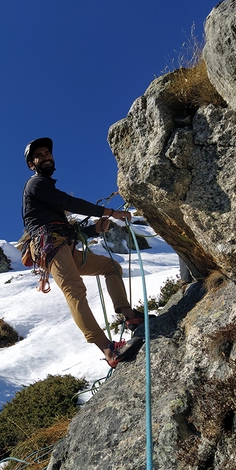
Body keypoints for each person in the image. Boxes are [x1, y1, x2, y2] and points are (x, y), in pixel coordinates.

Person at [22, 137, 144, 368]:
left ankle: (130, 316)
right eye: (39, 155)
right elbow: (68, 202)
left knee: (111, 267)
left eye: (48, 152)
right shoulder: (35, 184)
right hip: (53, 248)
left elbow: (65, 226)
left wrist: (92, 229)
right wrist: (108, 212)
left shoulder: (45, 192)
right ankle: (108, 349)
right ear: (32, 164)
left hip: (63, 247)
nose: (46, 156)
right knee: (75, 291)